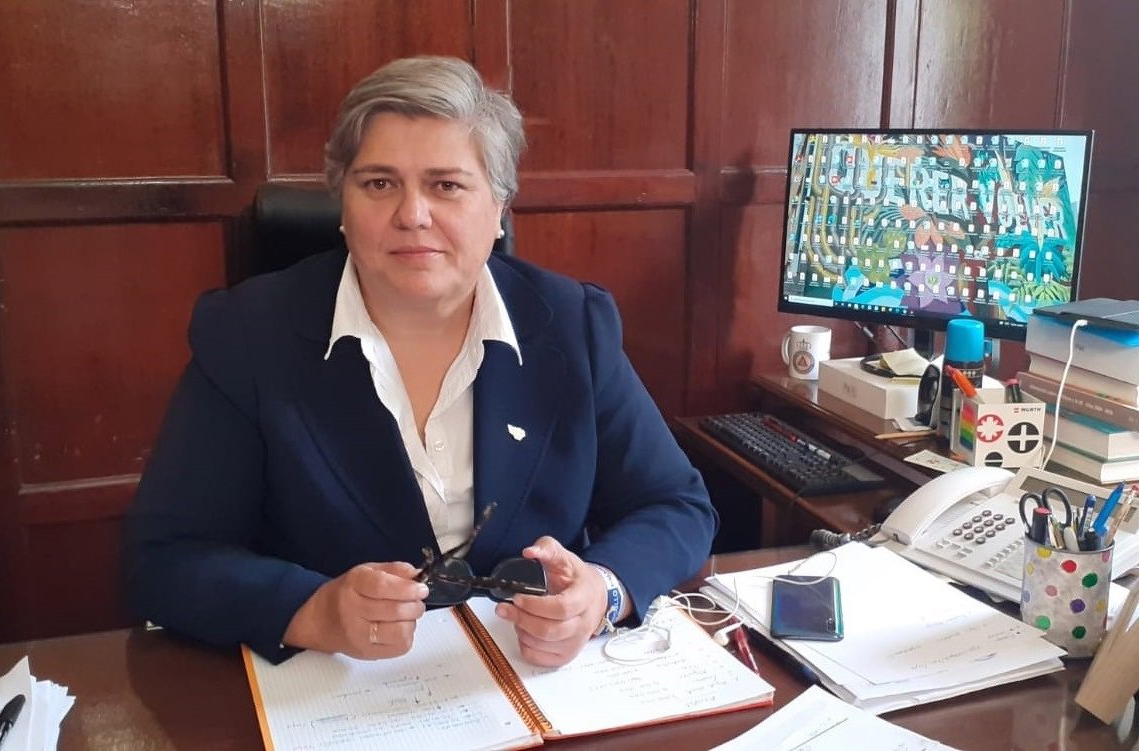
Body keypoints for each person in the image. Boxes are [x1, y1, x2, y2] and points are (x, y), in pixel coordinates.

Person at [124, 56, 716, 668]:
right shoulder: (249, 334)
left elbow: (675, 504)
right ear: (343, 204)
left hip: (533, 679)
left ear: (499, 206)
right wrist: (312, 610)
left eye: (447, 185)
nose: (412, 215)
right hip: (336, 686)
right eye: (379, 184)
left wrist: (603, 591)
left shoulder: (572, 325)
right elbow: (164, 558)